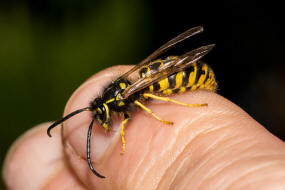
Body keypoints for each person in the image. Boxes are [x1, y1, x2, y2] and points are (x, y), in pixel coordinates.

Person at [3, 66, 285, 189]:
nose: (102, 122)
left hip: (187, 77)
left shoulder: (129, 97)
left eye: (102, 114)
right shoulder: (121, 97)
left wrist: (166, 117)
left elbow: (146, 102)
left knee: (151, 93)